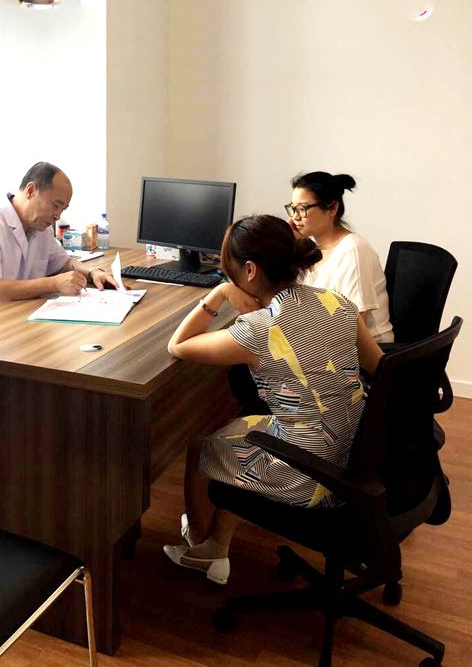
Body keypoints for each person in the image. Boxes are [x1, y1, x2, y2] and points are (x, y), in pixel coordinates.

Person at [162, 215, 382, 585]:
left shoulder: (260, 329)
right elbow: (382, 368)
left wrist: (219, 294)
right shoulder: (337, 303)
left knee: (201, 445)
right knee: (240, 432)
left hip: (311, 473)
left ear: (249, 271)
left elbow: (178, 345)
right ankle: (217, 545)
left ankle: (201, 547)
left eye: (230, 270)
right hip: (360, 452)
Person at [0, 161, 117, 309]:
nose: (57, 216)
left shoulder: (42, 227)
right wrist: (53, 284)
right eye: (56, 205)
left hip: (23, 311)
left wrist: (92, 273)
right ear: (30, 191)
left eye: (62, 209)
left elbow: (62, 263)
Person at [287, 171, 393, 343]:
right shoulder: (310, 246)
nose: (295, 217)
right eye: (293, 209)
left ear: (332, 209)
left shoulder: (353, 250)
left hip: (364, 351)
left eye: (302, 209)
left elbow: (355, 326)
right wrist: (291, 245)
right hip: (324, 341)